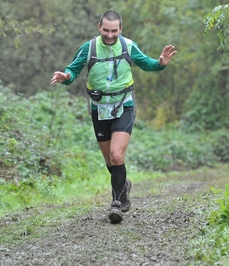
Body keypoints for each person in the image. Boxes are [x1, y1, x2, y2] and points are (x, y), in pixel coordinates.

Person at [50, 10, 176, 224]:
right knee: (110, 160)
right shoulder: (89, 48)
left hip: (123, 105)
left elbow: (146, 63)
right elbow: (73, 70)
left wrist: (161, 63)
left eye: (114, 31)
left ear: (120, 29)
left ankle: (116, 203)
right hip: (99, 108)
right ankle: (123, 185)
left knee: (117, 155)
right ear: (99, 28)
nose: (110, 35)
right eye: (106, 30)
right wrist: (65, 77)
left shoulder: (128, 46)